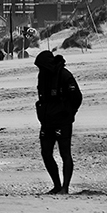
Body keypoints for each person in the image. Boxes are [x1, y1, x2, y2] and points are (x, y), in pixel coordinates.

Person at [35, 51, 82, 194]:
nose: (40, 70)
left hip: (63, 120)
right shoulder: (42, 76)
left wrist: (69, 112)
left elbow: (77, 97)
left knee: (65, 153)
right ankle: (56, 185)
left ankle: (65, 187)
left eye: (41, 66)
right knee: (46, 153)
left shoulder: (64, 75)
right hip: (47, 120)